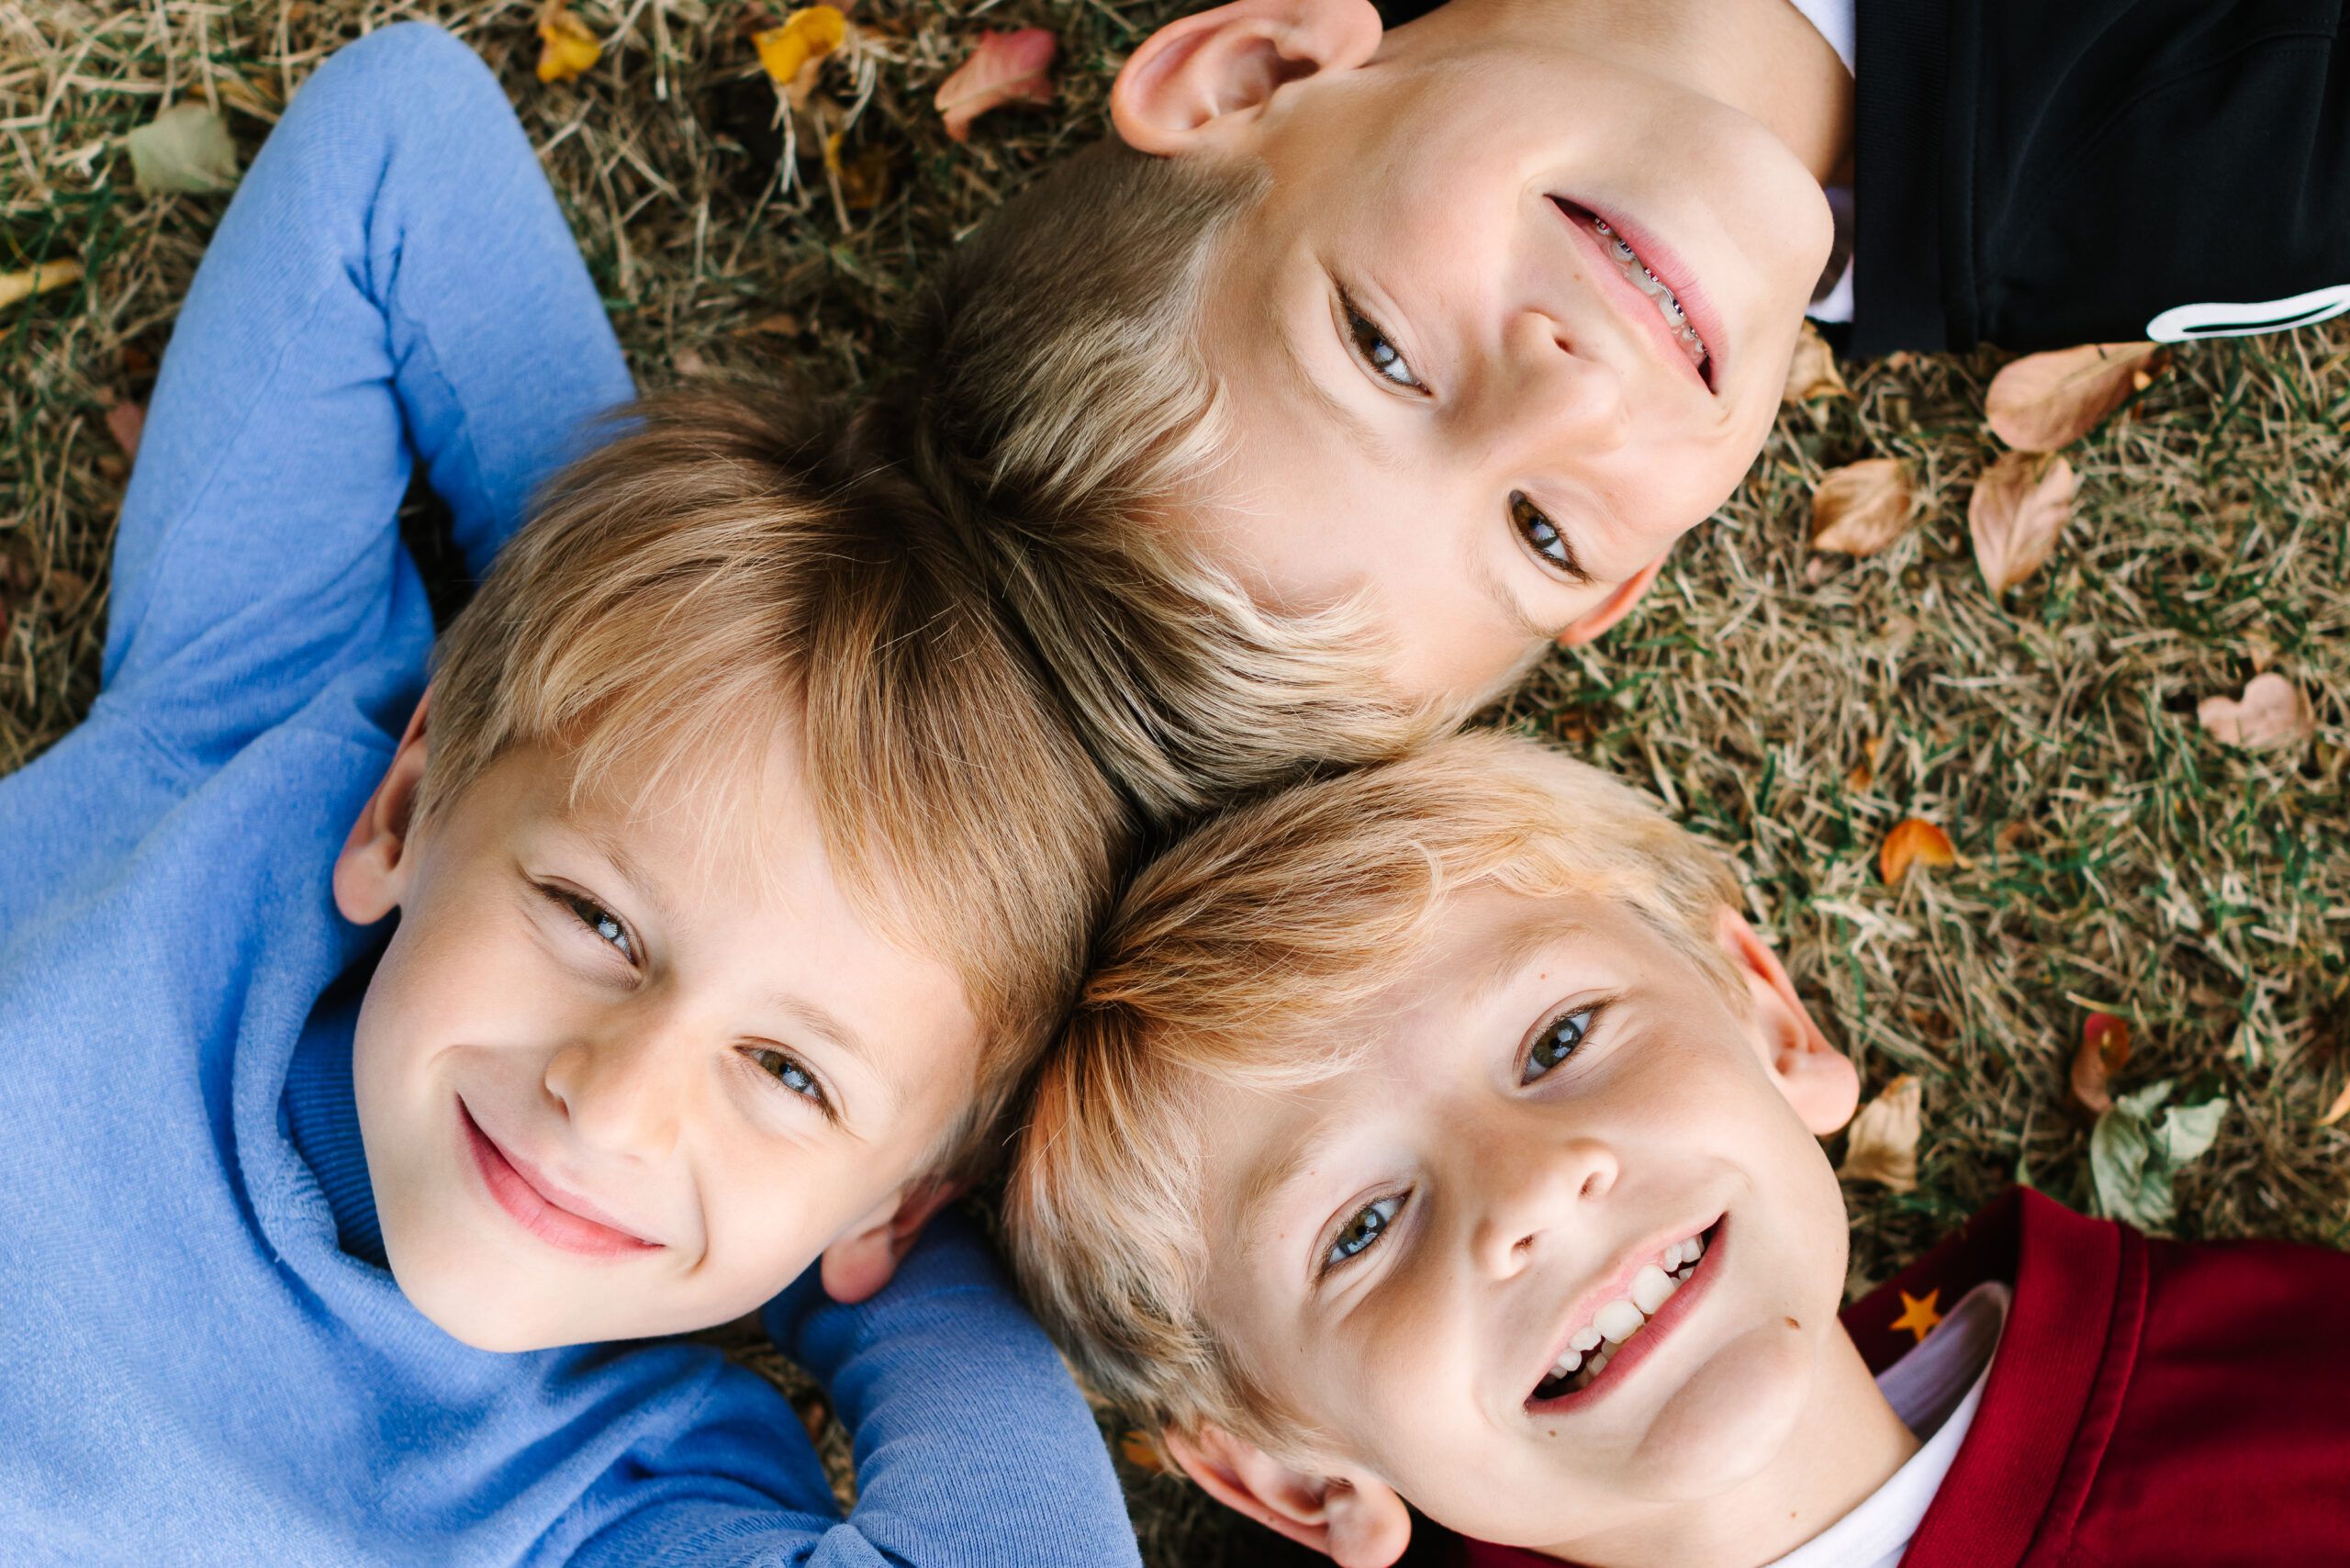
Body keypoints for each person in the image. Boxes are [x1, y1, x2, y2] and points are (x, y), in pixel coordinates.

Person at [0, 25, 1141, 1565]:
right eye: (595, 914)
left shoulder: (612, 1504)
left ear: (893, 1208)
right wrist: (629, 628)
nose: (613, 1100)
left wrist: (864, 1240)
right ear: (399, 821)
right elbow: (397, 143)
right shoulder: (251, 740)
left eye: (793, 1075)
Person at [892, 0, 2350, 785]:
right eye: (1539, 532)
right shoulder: (2225, 183)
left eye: (1383, 351)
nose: (1563, 406)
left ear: (1248, 75)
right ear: (1626, 581)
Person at [1004, 729, 2350, 1567]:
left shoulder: (2284, 1392)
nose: (1531, 1186)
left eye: (1558, 1040)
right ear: (1294, 1477)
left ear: (1768, 1020)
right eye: (1357, 1229)